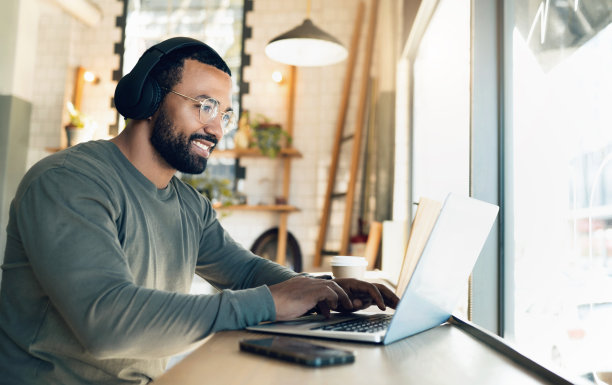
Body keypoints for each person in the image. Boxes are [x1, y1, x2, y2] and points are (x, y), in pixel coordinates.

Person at [0, 37, 399, 385]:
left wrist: (321, 289)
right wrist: (270, 302)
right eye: (205, 106)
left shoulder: (189, 205)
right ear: (149, 99)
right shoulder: (68, 181)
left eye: (224, 114)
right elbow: (107, 324)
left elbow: (243, 271)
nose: (217, 129)